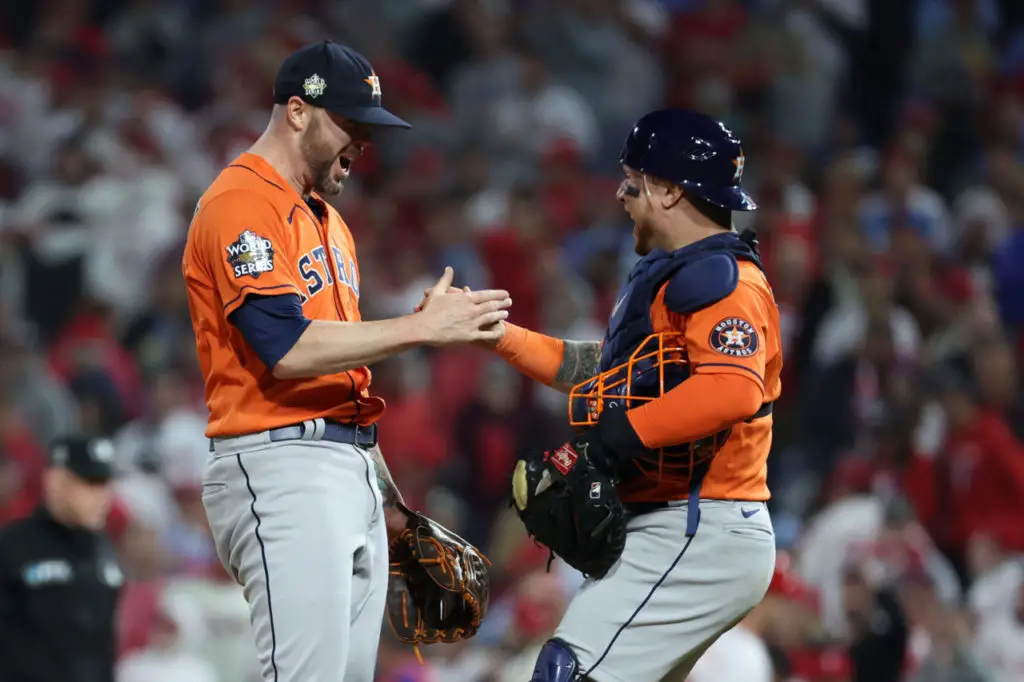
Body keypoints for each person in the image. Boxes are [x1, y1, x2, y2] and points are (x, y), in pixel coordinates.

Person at [182, 40, 512, 682]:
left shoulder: (331, 222)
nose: (363, 143)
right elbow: (285, 347)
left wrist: (382, 490)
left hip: (346, 464)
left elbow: (339, 371)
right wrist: (421, 328)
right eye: (351, 124)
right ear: (298, 112)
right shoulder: (239, 203)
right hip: (279, 464)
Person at [437, 109, 782, 681]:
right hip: (680, 525)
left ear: (671, 191)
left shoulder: (725, 281)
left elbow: (732, 389)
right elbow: (605, 373)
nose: (622, 194)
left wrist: (615, 439)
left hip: (699, 525)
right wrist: (497, 335)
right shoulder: (676, 278)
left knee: (566, 670)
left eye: (635, 181)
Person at [0, 435, 123, 682]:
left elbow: (104, 649)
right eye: (89, 482)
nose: (101, 495)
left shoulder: (105, 552)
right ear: (55, 482)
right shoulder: (11, 547)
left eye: (105, 484)